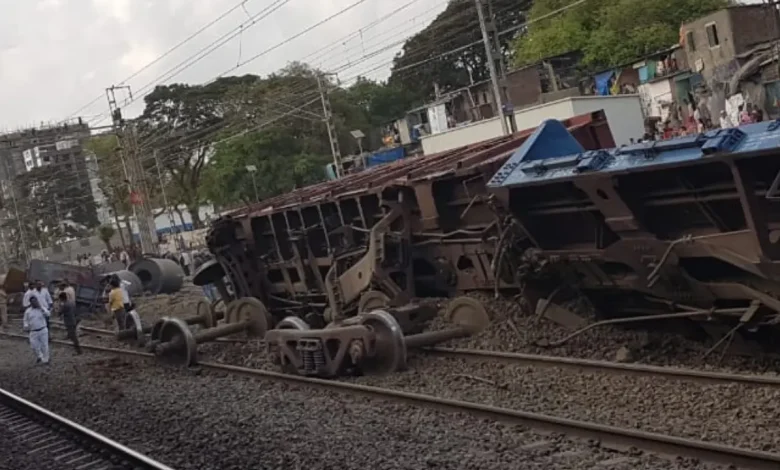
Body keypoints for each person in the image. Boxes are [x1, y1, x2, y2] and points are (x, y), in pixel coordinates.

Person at [23, 296, 50, 365]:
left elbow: (48, 314)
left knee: (44, 345)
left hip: (43, 329)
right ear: (31, 303)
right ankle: (40, 356)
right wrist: (26, 326)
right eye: (33, 302)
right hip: (33, 331)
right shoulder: (28, 311)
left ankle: (46, 359)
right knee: (34, 346)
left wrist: (41, 308)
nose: (35, 303)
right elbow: (25, 320)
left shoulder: (42, 308)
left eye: (36, 301)